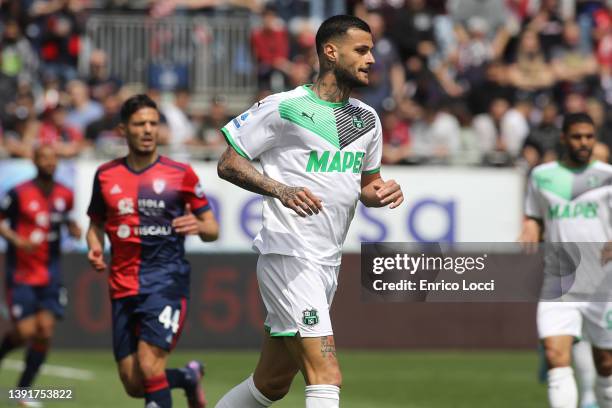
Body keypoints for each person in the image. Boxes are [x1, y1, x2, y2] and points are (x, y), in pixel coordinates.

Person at [215, 15, 404, 408]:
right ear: (330, 53)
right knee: (326, 374)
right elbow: (229, 163)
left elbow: (366, 184)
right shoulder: (283, 107)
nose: (372, 59)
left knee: (271, 383)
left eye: (371, 50)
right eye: (362, 50)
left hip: (326, 262)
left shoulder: (367, 120)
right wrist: (279, 189)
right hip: (289, 254)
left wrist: (380, 192)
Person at [86, 94, 219, 408]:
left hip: (165, 282)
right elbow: (95, 225)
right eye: (139, 124)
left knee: (149, 365)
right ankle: (187, 377)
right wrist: (94, 248)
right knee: (134, 383)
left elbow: (213, 229)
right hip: (122, 285)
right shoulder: (105, 175)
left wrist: (200, 227)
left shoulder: (180, 173)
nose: (147, 130)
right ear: (123, 129)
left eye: (152, 123)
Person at [519, 112, 612, 408]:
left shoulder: (608, 176)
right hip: (559, 282)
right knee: (555, 356)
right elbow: (533, 214)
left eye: (589, 136)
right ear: (564, 138)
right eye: (577, 136)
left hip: (603, 284)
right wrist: (531, 225)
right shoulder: (542, 176)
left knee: (607, 365)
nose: (584, 142)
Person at [0, 145, 81, 402]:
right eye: (44, 158)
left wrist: (74, 227)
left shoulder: (65, 194)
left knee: (45, 331)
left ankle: (22, 392)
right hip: (22, 273)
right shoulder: (18, 193)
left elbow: (66, 219)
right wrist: (17, 241)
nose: (49, 162)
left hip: (51, 273)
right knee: (24, 333)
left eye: (53, 158)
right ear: (35, 161)